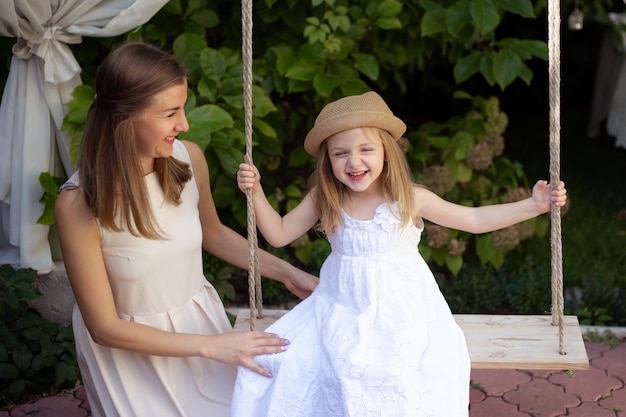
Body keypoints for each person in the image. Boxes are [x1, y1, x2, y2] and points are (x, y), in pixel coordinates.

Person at [232, 91, 568, 417]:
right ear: (327, 160)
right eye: (340, 153)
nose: (354, 161)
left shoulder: (409, 198)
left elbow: (475, 219)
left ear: (386, 153)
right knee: (295, 363)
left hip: (403, 312)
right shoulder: (325, 197)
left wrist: (532, 205)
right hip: (340, 308)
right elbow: (277, 234)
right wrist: (257, 192)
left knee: (393, 373)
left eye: (366, 149)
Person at [54, 41, 318, 417]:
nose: (184, 124)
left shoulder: (188, 158)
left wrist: (287, 273)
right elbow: (104, 327)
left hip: (200, 325)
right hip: (131, 357)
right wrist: (213, 347)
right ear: (123, 118)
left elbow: (213, 234)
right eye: (169, 113)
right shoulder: (78, 205)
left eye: (183, 108)